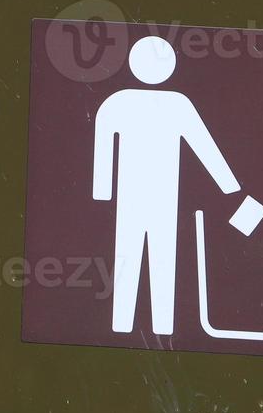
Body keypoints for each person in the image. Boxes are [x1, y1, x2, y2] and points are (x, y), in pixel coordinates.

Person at [93, 36, 241, 335]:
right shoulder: (174, 104)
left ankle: (130, 324)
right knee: (157, 256)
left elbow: (103, 148)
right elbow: (205, 148)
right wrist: (229, 187)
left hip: (141, 195)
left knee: (133, 255)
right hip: (154, 195)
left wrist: (103, 191)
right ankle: (154, 325)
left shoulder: (120, 102)